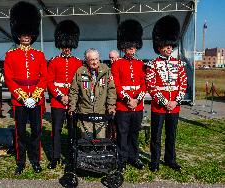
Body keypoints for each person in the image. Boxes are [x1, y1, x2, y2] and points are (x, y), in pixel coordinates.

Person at [4, 1, 47, 175]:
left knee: (36, 132)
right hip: (20, 100)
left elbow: (44, 77)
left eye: (28, 33)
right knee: (20, 133)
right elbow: (9, 78)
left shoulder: (39, 55)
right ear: (18, 35)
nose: (26, 36)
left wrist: (35, 96)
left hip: (35, 100)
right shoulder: (10, 55)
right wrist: (23, 96)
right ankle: (21, 161)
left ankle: (35, 160)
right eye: (23, 33)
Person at [146, 15, 187, 172]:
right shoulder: (152, 64)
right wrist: (165, 102)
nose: (169, 47)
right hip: (159, 107)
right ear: (160, 46)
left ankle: (170, 160)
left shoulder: (179, 64)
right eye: (166, 45)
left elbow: (183, 84)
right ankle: (155, 162)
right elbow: (151, 86)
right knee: (156, 137)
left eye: (171, 45)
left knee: (171, 136)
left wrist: (176, 101)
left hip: (175, 106)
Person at [111, 19, 146, 172]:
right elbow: (116, 85)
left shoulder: (140, 64)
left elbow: (144, 84)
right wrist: (127, 99)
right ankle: (122, 159)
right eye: (129, 47)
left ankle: (134, 157)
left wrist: (137, 99)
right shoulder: (117, 64)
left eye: (133, 47)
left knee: (134, 133)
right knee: (122, 134)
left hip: (137, 105)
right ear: (124, 48)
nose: (132, 50)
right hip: (123, 106)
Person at [47, 20, 82, 169]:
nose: (66, 48)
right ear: (60, 45)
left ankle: (72, 156)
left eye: (69, 46)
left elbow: (80, 83)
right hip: (57, 102)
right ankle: (55, 157)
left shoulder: (78, 62)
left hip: (73, 101)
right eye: (64, 45)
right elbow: (50, 82)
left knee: (73, 131)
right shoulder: (54, 62)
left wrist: (72, 98)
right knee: (56, 130)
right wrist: (61, 96)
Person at [69, 48, 116, 139]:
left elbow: (111, 90)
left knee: (101, 139)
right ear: (86, 60)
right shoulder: (80, 72)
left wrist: (111, 107)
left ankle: (101, 152)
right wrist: (72, 107)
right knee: (87, 140)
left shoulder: (105, 70)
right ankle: (87, 152)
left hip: (101, 111)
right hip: (85, 111)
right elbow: (74, 91)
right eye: (92, 60)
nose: (95, 62)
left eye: (96, 59)